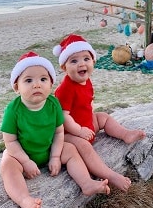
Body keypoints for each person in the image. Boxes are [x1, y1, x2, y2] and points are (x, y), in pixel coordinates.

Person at [0, 51, 110, 208]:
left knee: (71, 149)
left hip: (49, 148)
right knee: (7, 163)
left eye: (43, 79)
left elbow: (59, 132)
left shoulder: (53, 104)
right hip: (22, 153)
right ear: (16, 87)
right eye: (28, 80)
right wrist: (25, 161)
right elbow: (10, 140)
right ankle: (24, 199)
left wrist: (55, 156)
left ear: (51, 83)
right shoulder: (13, 110)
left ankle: (86, 183)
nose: (36, 84)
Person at [54, 34, 146, 192]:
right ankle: (110, 176)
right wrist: (79, 130)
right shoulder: (65, 89)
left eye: (86, 59)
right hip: (69, 133)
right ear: (64, 67)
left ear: (93, 62)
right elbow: (62, 116)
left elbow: (87, 104)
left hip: (86, 125)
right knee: (83, 146)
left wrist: (91, 121)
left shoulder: (87, 81)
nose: (81, 64)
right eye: (74, 61)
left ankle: (125, 134)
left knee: (103, 117)